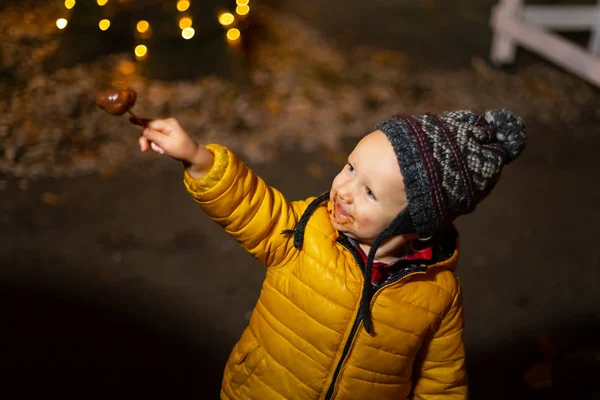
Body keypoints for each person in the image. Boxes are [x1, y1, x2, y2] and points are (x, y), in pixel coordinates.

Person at [135, 109, 526, 399]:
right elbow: (249, 206)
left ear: (419, 222)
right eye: (350, 168)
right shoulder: (308, 231)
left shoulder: (438, 292)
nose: (344, 190)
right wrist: (197, 158)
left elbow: (441, 381)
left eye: (370, 192)